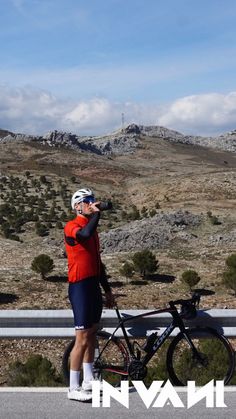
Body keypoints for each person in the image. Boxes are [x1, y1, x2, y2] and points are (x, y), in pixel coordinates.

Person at [64, 187, 115, 402]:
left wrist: (108, 291)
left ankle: (88, 379)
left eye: (92, 200)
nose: (91, 203)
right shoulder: (72, 227)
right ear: (77, 206)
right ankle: (73, 387)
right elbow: (83, 235)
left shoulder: (93, 231)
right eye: (87, 201)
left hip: (93, 285)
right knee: (82, 338)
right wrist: (97, 214)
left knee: (92, 333)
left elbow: (98, 263)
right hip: (80, 286)